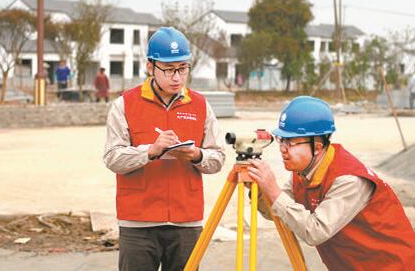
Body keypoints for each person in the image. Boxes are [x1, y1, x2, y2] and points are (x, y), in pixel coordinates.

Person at [103, 27, 226, 271]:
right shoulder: (125, 105)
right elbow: (112, 157)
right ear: (150, 67)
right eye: (169, 70)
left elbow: (218, 158)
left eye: (182, 68)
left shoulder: (201, 105)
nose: (177, 77)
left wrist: (197, 155)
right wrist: (150, 151)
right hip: (138, 223)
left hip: (186, 222)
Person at [247, 96, 415, 270]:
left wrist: (273, 190)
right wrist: (260, 190)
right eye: (281, 140)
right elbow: (279, 212)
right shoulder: (302, 172)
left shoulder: (349, 180)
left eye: (291, 142)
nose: (283, 149)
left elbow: (315, 231)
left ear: (317, 147)